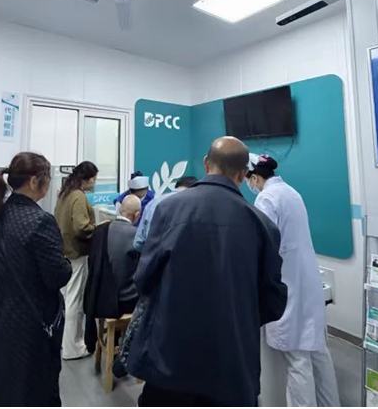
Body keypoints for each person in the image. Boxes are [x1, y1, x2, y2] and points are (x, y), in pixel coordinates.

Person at [126, 137, 288, 406]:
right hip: (232, 366)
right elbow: (273, 301)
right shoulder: (262, 225)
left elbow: (143, 280)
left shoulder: (167, 208)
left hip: (169, 358)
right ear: (243, 174)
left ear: (206, 163)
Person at [246, 154, 340, 407]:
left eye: (249, 180)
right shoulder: (291, 192)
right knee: (318, 353)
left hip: (288, 285)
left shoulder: (266, 198)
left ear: (255, 177)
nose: (249, 185)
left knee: (297, 359)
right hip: (307, 283)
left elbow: (263, 244)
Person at [0, 152, 72, 407]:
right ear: (33, 181)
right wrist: (65, 262)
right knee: (35, 386)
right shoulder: (40, 221)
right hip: (30, 320)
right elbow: (57, 276)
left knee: (3, 379)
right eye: (47, 178)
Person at [84, 195, 141, 353]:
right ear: (137, 215)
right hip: (124, 302)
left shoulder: (100, 231)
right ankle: (130, 351)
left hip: (98, 297)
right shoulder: (136, 235)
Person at [54, 161, 99, 360]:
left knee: (66, 299)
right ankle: (73, 348)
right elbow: (81, 227)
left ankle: (64, 342)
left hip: (63, 252)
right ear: (87, 179)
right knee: (75, 300)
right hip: (76, 253)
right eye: (94, 179)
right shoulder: (79, 196)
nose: (95, 182)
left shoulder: (65, 193)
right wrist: (99, 228)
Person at [134, 176, 198, 252]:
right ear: (194, 190)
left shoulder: (152, 203)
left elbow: (138, 242)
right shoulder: (193, 205)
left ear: (176, 186)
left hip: (152, 255)